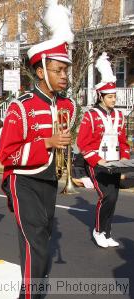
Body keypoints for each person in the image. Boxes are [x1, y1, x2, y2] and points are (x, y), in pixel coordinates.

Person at [0, 2, 76, 298]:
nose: (65, 76)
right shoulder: (22, 107)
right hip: (23, 180)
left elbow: (66, 148)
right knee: (37, 245)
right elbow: (6, 153)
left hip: (49, 182)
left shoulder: (67, 105)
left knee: (38, 241)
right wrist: (46, 143)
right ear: (41, 71)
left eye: (66, 70)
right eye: (59, 70)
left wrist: (72, 170)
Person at [77, 52, 130, 248]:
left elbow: (124, 143)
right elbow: (83, 142)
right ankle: (98, 230)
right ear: (101, 96)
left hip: (115, 163)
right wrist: (98, 160)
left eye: (115, 96)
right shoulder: (90, 115)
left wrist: (123, 164)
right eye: (110, 96)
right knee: (105, 195)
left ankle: (107, 232)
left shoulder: (120, 115)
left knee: (114, 198)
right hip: (97, 163)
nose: (113, 99)